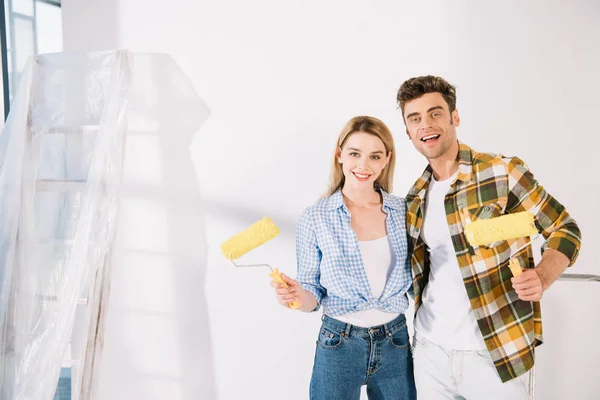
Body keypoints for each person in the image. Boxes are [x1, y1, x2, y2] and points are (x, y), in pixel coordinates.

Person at [397, 75, 582, 399]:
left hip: (495, 352)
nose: (426, 124)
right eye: (415, 118)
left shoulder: (501, 172)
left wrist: (543, 274)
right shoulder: (415, 196)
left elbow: (565, 228)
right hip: (429, 351)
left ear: (455, 117)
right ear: (409, 131)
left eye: (435, 113)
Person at [271, 116, 416, 400]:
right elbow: (312, 296)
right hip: (339, 344)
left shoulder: (404, 211)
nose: (363, 166)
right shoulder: (316, 217)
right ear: (339, 155)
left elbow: (423, 276)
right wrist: (295, 295)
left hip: (395, 342)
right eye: (354, 154)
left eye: (374, 156)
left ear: (386, 160)